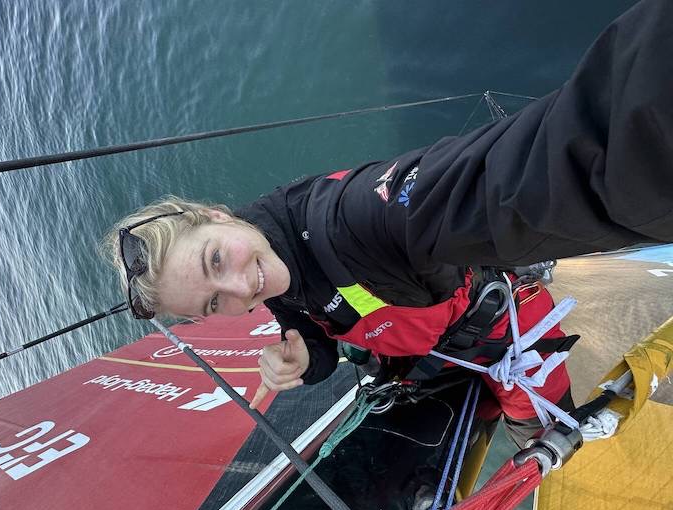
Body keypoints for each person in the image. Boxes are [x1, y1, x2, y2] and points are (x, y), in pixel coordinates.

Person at [103, 0, 672, 447]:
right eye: (211, 305)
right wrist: (307, 360)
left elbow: (519, 177)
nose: (239, 289)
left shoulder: (356, 217)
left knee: (545, 434)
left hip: (502, 336)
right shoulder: (265, 263)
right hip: (426, 348)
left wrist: (649, 143)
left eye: (215, 260)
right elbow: (313, 325)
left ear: (214, 215)